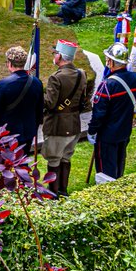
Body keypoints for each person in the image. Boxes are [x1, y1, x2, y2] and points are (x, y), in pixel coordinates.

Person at [86, 44, 136, 180]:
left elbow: (99, 113)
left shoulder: (108, 85)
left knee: (106, 172)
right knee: (119, 163)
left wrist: (92, 131)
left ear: (111, 62)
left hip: (107, 134)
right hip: (124, 130)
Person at [42, 40, 91, 195]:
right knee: (66, 158)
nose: (54, 56)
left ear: (61, 56)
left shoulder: (55, 78)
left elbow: (50, 104)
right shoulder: (81, 74)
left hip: (58, 125)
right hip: (74, 124)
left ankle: (53, 193)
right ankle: (63, 190)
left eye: (55, 53)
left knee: (54, 160)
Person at [0, 45, 43, 154]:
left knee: (5, 167)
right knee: (22, 165)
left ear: (9, 64)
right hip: (27, 134)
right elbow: (39, 111)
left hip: (7, 136)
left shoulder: (3, 85)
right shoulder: (37, 83)